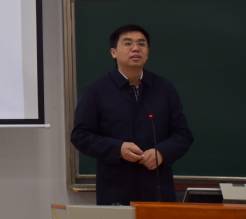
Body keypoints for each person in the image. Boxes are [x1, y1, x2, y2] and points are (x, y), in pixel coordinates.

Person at [71, 24, 193, 205]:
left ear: (148, 52)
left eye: (141, 44)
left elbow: (183, 134)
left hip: (157, 187)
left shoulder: (164, 88)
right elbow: (80, 136)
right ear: (113, 52)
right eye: (128, 43)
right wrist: (117, 149)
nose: (135, 48)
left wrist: (162, 152)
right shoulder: (96, 90)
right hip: (115, 188)